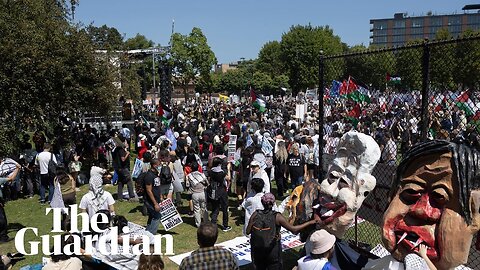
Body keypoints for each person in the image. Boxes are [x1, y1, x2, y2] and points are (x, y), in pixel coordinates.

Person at [246, 193, 318, 270]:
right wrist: (310, 222)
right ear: (274, 203)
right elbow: (294, 229)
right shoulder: (277, 216)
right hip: (272, 250)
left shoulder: (255, 214)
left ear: (262, 202)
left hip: (257, 249)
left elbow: (247, 231)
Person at [209, 157, 231, 232]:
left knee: (215, 208)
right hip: (222, 191)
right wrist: (228, 169)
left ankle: (212, 224)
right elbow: (228, 178)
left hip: (214, 191)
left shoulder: (210, 171)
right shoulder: (221, 173)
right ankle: (225, 225)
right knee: (225, 208)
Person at [112, 136, 136, 202]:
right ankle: (132, 196)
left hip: (118, 168)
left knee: (120, 182)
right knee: (129, 181)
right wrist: (127, 154)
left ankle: (119, 196)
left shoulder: (116, 149)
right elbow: (123, 159)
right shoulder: (121, 150)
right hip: (123, 168)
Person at [186, 161, 208, 227]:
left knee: (196, 209)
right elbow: (207, 183)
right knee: (204, 208)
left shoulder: (188, 176)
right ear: (198, 167)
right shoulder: (202, 174)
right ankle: (206, 221)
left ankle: (198, 223)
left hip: (194, 194)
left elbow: (187, 185)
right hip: (202, 193)